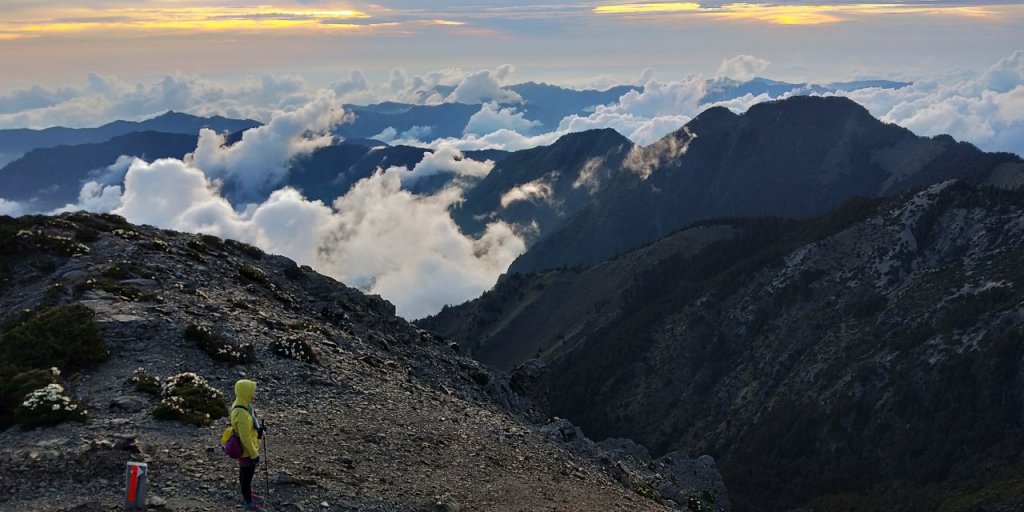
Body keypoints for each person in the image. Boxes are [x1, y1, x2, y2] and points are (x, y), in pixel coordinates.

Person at [231, 379, 266, 511]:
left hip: (244, 450)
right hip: (246, 452)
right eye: (251, 392)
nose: (253, 395)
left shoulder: (239, 405)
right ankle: (249, 503)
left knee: (244, 476)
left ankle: (248, 494)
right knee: (246, 476)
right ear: (245, 393)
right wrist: (254, 455)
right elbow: (245, 439)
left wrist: (258, 431)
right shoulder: (243, 415)